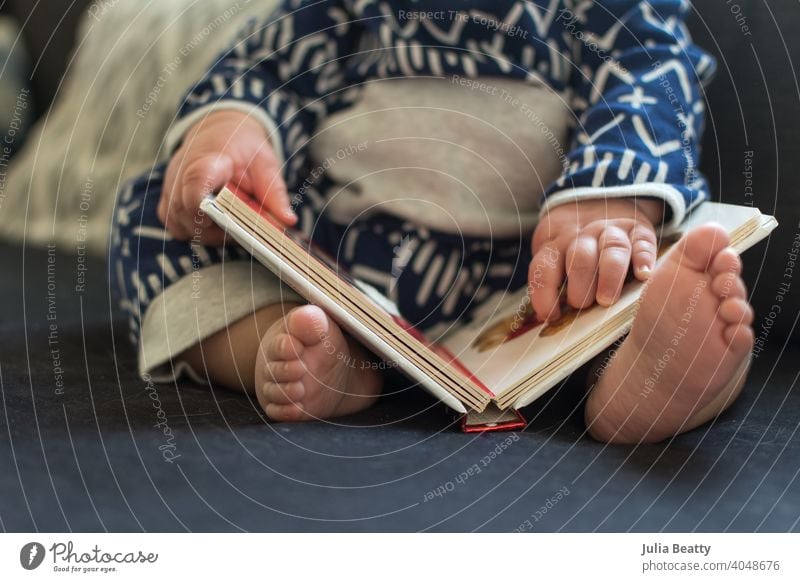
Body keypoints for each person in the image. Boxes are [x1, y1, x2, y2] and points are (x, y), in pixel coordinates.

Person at [110, 0, 754, 443]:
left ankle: (646, 372)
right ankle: (273, 342)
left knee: (659, 259)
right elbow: (280, 61)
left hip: (536, 283)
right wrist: (235, 128)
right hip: (341, 272)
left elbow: (650, 68)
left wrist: (608, 194)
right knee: (158, 212)